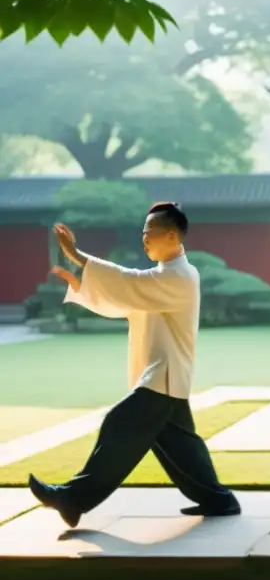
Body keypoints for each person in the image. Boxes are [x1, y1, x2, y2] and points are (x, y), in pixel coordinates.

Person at [29, 203, 240, 529]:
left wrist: (80, 257)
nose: (144, 239)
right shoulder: (163, 277)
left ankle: (73, 499)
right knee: (181, 446)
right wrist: (80, 284)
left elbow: (131, 283)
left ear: (171, 235)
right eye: (143, 233)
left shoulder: (181, 275)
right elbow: (128, 298)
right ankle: (219, 500)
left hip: (164, 373)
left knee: (119, 425)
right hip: (163, 374)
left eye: (149, 233)